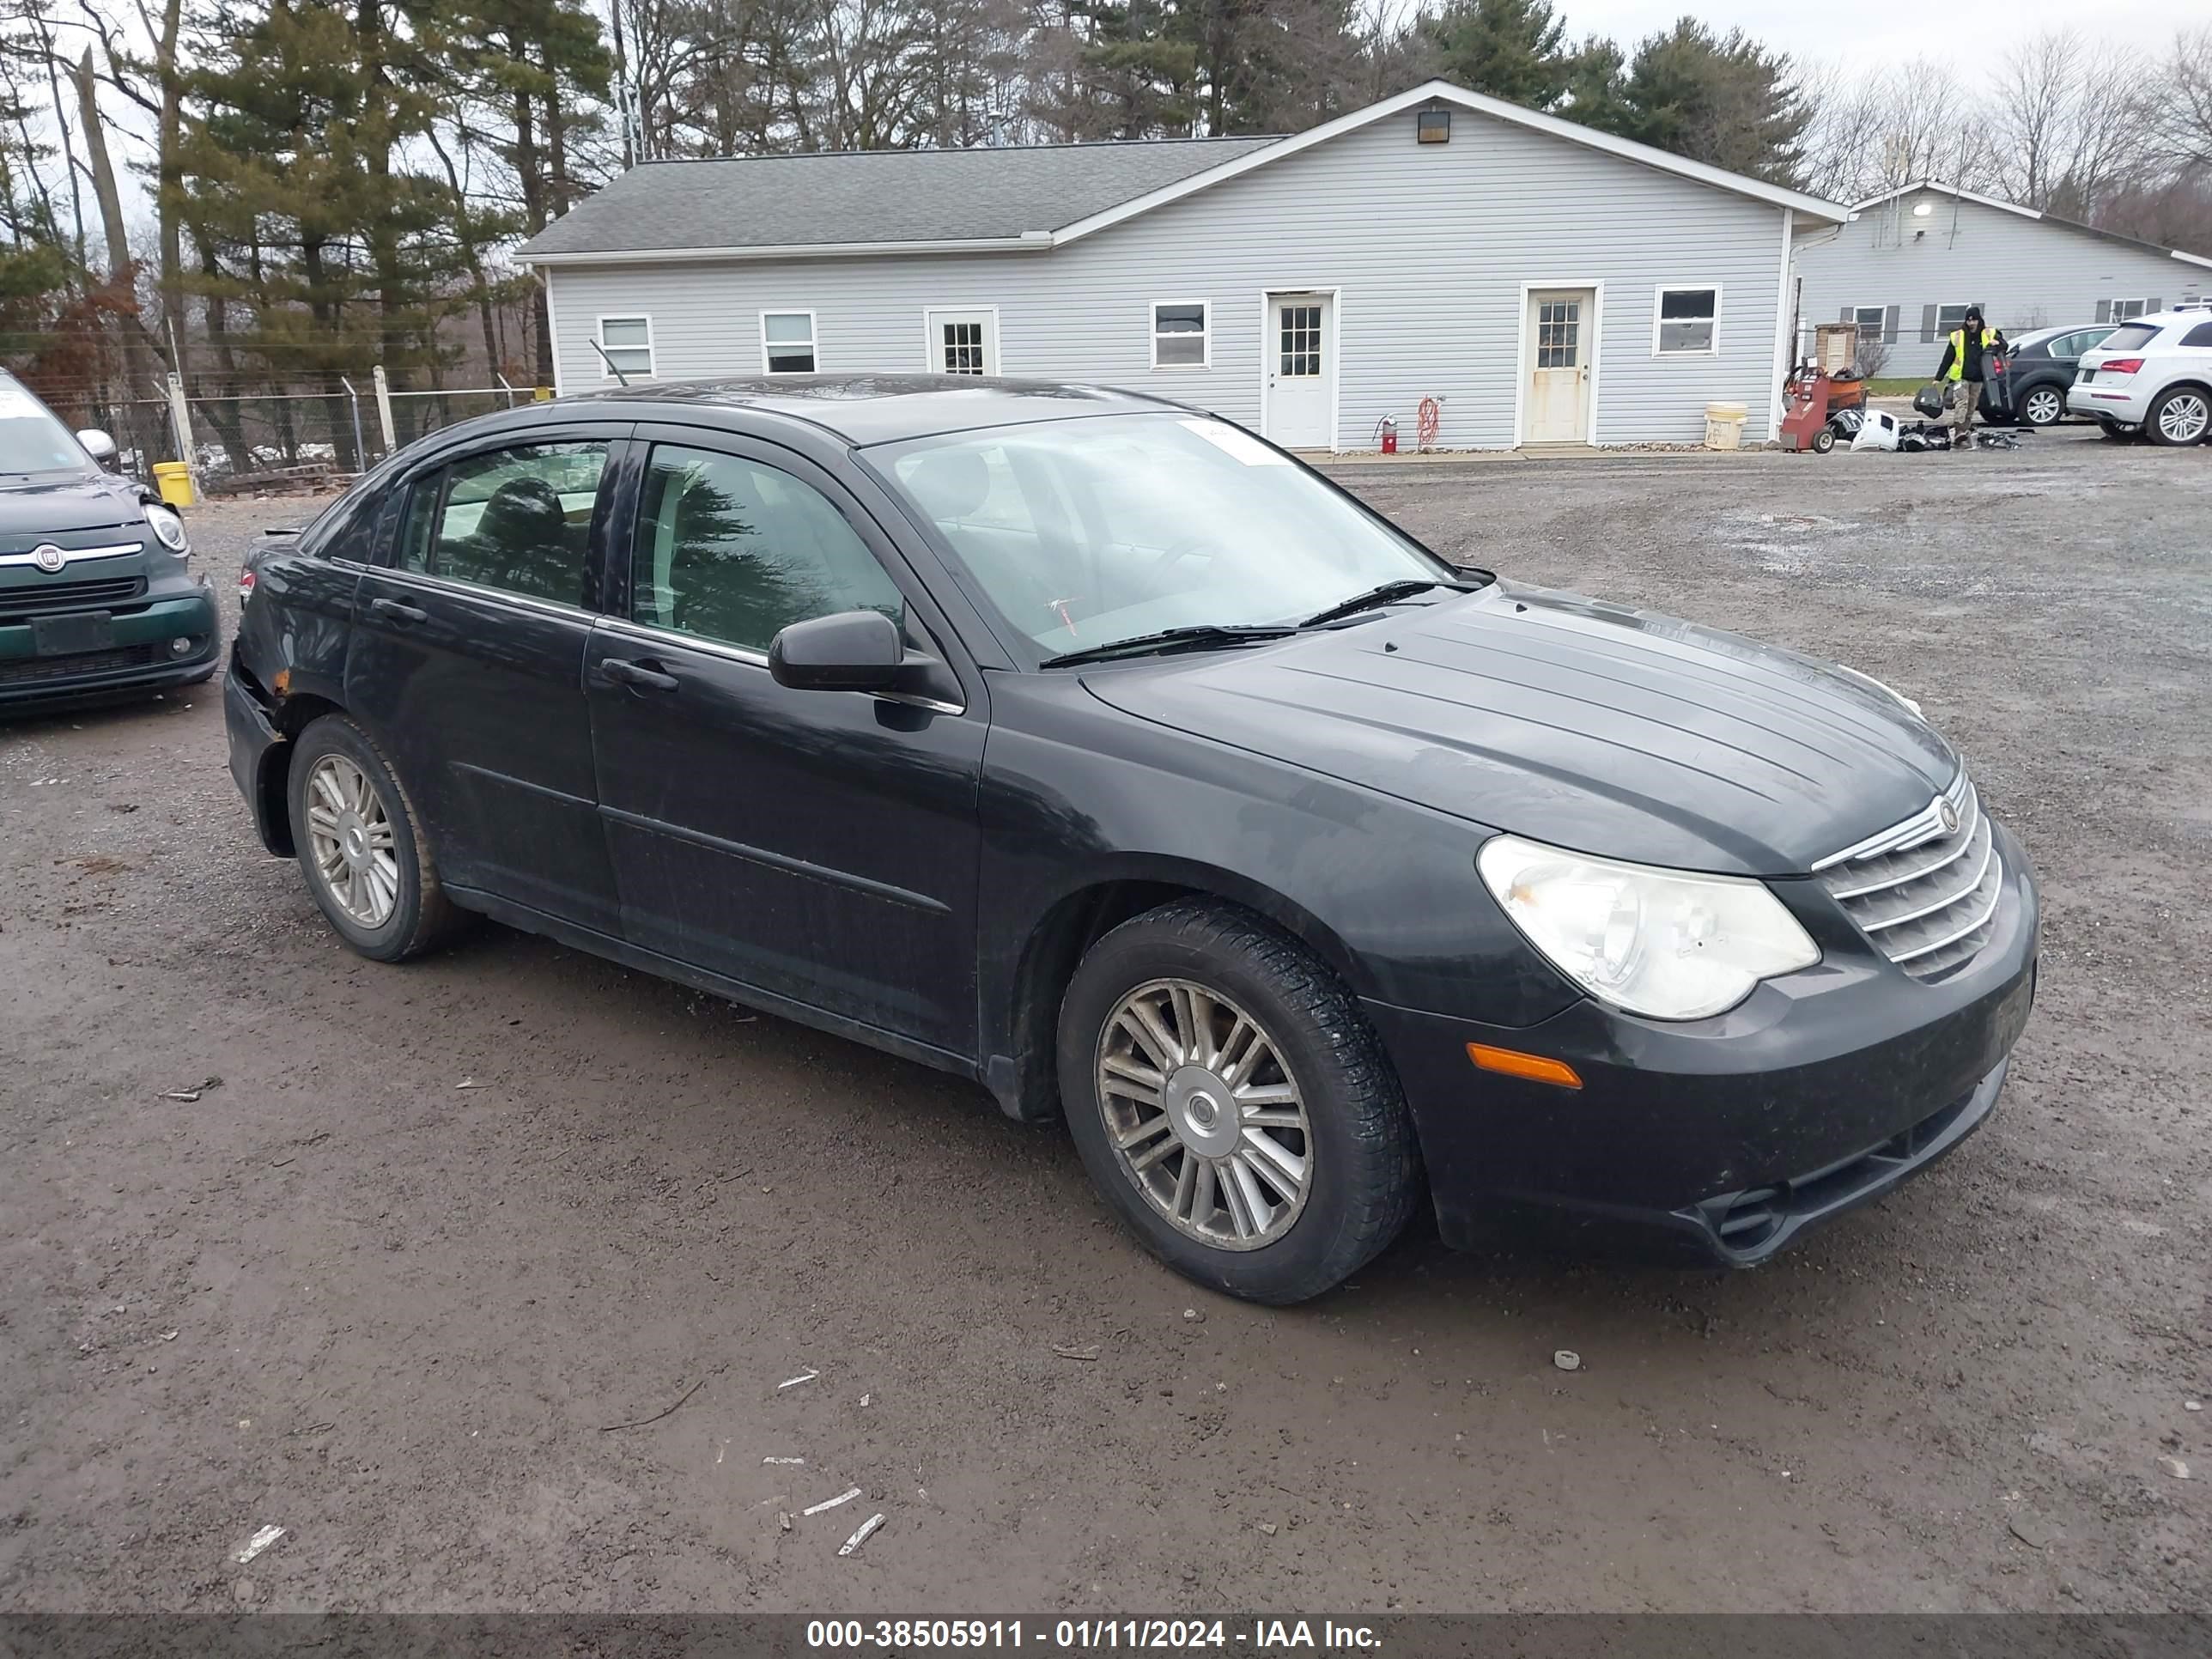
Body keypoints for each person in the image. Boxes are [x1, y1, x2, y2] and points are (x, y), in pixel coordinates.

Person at [1936, 308, 2007, 444]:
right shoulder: (1958, 336)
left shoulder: (1989, 333)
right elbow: (1948, 357)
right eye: (1968, 320)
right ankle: (1959, 432)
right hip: (1961, 377)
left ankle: (1965, 430)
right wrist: (1938, 377)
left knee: (1971, 405)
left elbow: (2004, 346)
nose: (1971, 323)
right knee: (1961, 403)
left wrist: (1997, 345)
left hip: (1979, 378)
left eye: (1973, 320)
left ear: (1979, 319)